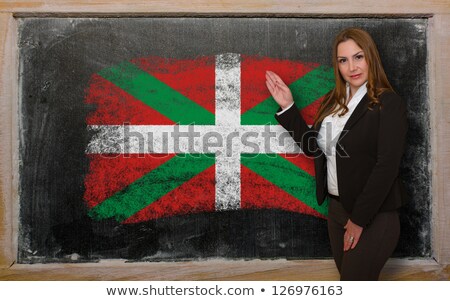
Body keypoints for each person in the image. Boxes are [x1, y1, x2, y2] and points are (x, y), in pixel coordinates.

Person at [265, 27, 408, 280]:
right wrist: (288, 106)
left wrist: (359, 220)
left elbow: (386, 167)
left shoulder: (388, 103)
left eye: (358, 57)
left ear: (371, 58)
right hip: (337, 211)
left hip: (372, 215)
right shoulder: (333, 102)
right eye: (343, 60)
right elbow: (316, 150)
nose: (351, 67)